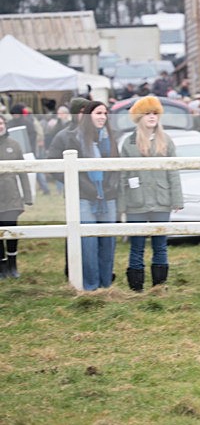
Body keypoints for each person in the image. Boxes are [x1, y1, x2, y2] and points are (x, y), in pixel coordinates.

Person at [118, 96, 183, 291]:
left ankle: (159, 286)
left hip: (161, 201)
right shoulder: (128, 143)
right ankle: (136, 287)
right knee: (136, 245)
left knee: (160, 245)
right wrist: (122, 206)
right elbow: (123, 175)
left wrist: (176, 199)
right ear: (139, 117)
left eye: (155, 113)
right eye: (147, 113)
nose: (152, 117)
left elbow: (173, 171)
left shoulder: (167, 141)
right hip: (136, 202)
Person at [64, 101, 121, 290]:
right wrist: (91, 190)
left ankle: (106, 285)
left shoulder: (111, 138)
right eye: (98, 113)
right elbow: (72, 172)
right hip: (85, 197)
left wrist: (109, 188)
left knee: (108, 242)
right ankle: (90, 286)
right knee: (88, 243)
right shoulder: (74, 138)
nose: (102, 116)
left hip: (108, 197)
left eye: (105, 113)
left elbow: (117, 167)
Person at [0, 117, 33, 279]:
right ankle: (2, 266)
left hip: (12, 197)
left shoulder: (14, 145)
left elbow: (23, 171)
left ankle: (13, 265)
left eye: (1, 123)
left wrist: (27, 196)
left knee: (12, 230)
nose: (0, 126)